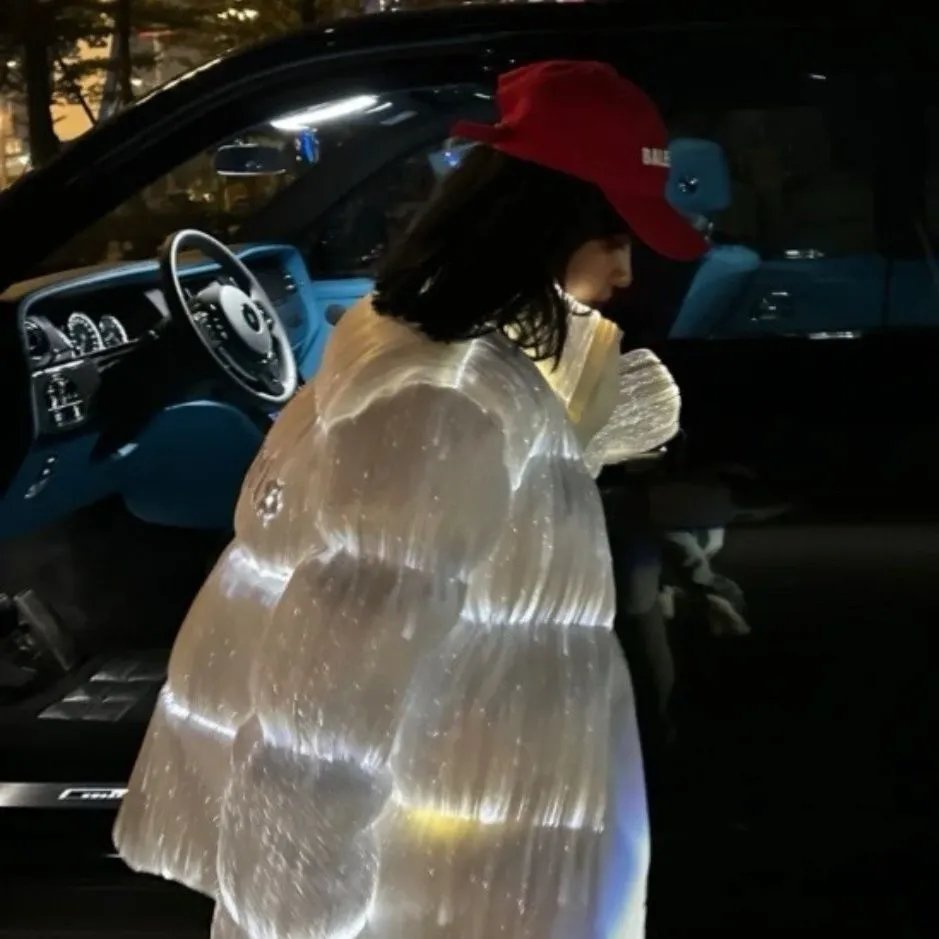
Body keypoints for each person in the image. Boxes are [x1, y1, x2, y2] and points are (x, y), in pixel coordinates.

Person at [113, 59, 705, 939]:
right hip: (440, 866)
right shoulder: (444, 398)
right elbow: (335, 681)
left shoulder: (449, 363)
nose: (627, 270)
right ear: (537, 228)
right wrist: (292, 904)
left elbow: (501, 481)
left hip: (462, 825)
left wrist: (596, 410)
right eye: (612, 238)